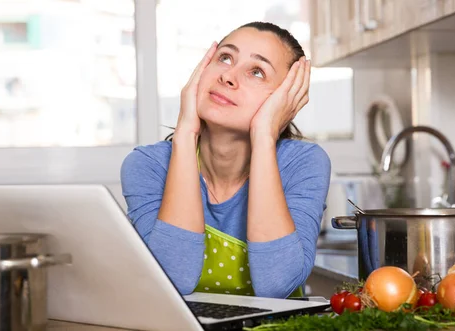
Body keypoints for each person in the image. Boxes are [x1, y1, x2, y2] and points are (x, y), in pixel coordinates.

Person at [120, 21, 331, 299]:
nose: (228, 76)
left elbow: (276, 285)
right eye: (225, 58)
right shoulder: (148, 165)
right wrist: (185, 133)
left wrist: (266, 135)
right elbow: (172, 281)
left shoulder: (302, 164)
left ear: (285, 100)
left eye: (257, 71)